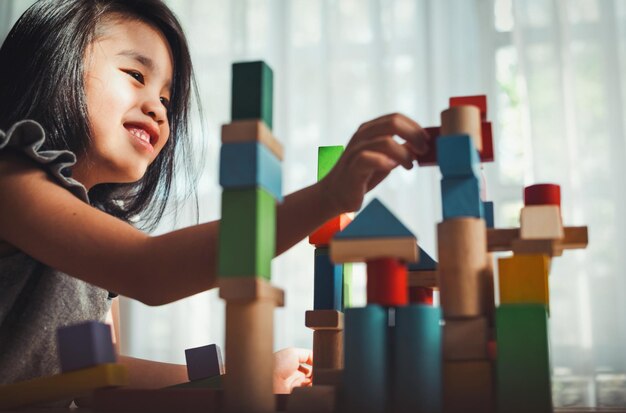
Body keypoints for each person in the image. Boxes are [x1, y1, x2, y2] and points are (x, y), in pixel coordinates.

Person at [0, 0, 429, 397]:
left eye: (167, 99)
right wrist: (326, 197)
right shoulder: (10, 176)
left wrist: (245, 378)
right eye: (135, 75)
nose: (159, 109)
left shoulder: (99, 231)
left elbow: (100, 371)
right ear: (53, 64)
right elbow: (148, 269)